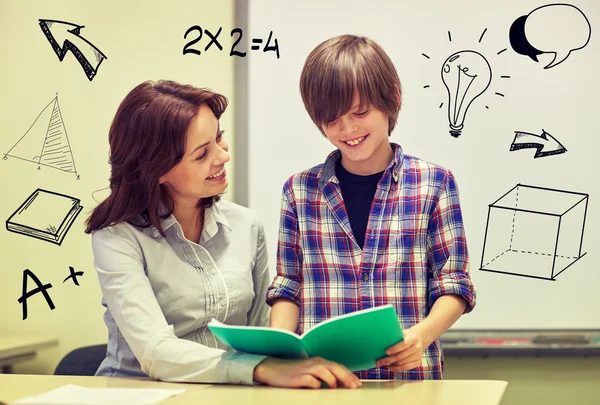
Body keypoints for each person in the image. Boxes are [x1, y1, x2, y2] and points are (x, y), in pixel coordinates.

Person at [85, 80, 361, 389]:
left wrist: (284, 364)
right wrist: (262, 369)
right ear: (158, 170)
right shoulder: (117, 238)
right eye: (202, 154)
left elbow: (259, 335)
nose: (223, 157)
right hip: (138, 394)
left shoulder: (245, 225)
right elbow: (155, 352)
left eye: (219, 138)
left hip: (227, 395)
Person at [266, 35, 477, 380]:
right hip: (323, 383)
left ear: (391, 99)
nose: (347, 129)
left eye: (360, 112)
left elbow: (453, 283)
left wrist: (420, 336)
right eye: (331, 120)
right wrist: (285, 351)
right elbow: (289, 285)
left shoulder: (434, 184)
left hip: (409, 381)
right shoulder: (299, 191)